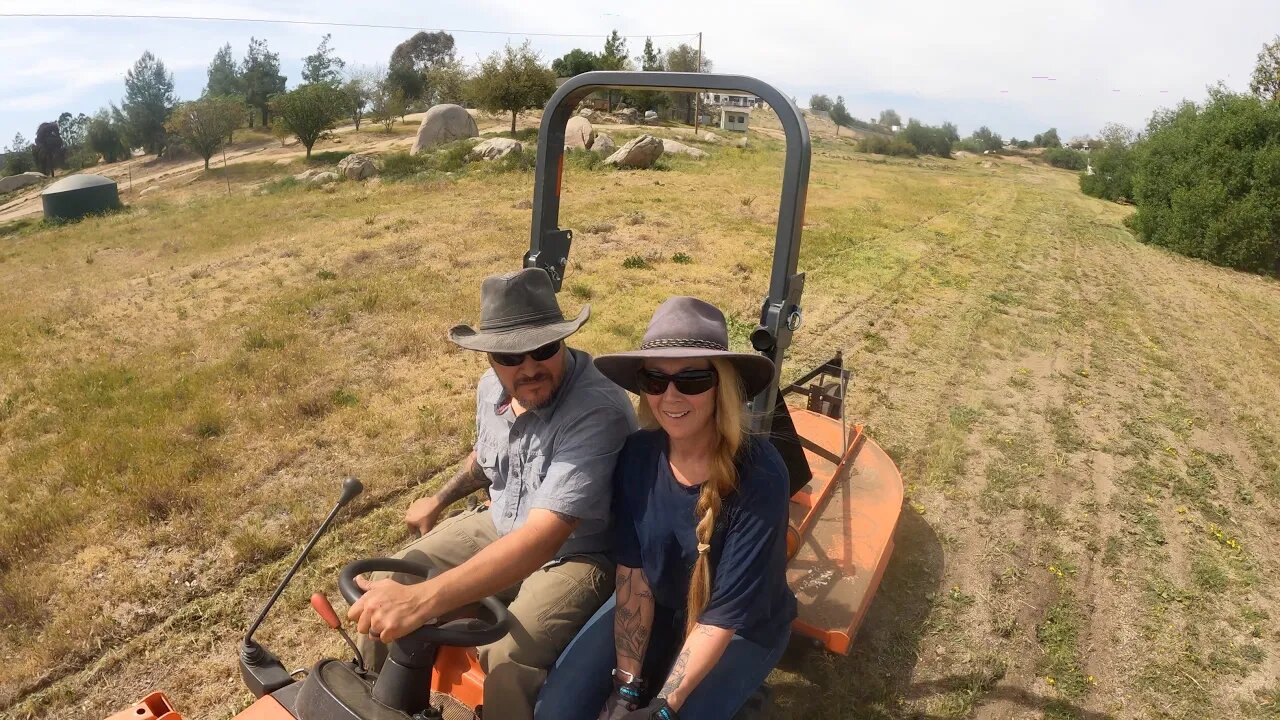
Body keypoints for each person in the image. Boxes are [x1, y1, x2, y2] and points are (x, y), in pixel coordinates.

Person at [349, 267, 638, 720]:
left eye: (543, 349)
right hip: (502, 519)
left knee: (507, 655)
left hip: (577, 551)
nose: (528, 368)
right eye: (509, 355)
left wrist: (426, 600)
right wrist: (439, 500)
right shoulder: (492, 390)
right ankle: (372, 703)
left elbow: (544, 537)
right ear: (488, 357)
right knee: (392, 583)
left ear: (563, 341)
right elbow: (486, 458)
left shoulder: (597, 409)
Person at [535, 296, 797, 720]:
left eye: (691, 380)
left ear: (722, 386)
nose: (670, 395)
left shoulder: (760, 473)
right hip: (661, 605)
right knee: (555, 711)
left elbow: (721, 617)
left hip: (743, 627)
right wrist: (626, 688)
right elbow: (634, 578)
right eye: (655, 381)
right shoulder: (638, 455)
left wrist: (662, 708)